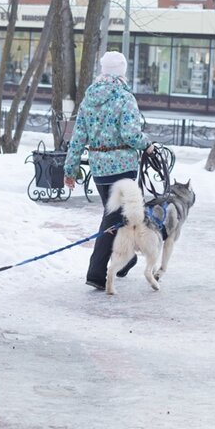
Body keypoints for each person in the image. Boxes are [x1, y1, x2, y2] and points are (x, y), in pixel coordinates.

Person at [63, 51, 154, 291]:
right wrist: (148, 145)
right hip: (122, 167)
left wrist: (70, 169)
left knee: (117, 216)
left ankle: (126, 261)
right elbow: (131, 134)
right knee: (113, 219)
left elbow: (77, 137)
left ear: (103, 71)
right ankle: (96, 272)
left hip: (100, 168)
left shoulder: (88, 99)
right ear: (122, 72)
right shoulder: (125, 98)